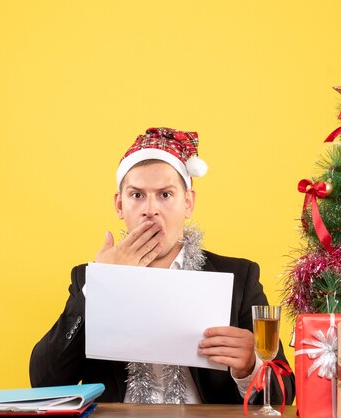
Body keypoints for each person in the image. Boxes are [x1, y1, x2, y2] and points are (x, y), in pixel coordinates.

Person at [29, 127, 295, 405]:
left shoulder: (239, 277)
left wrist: (250, 366)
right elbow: (45, 382)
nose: (150, 209)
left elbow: (284, 394)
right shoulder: (89, 278)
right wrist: (100, 283)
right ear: (120, 205)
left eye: (165, 195)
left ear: (188, 203)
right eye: (137, 195)